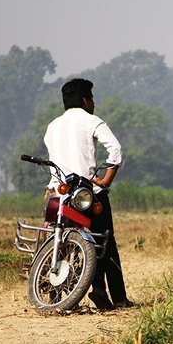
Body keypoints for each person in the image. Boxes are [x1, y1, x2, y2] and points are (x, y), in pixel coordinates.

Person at [44, 78, 132, 310]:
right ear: (85, 100)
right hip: (87, 193)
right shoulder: (91, 120)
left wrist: (53, 184)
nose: (93, 102)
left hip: (61, 193)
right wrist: (104, 181)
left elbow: (54, 162)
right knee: (104, 242)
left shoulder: (52, 127)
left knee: (58, 239)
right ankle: (115, 298)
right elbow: (116, 150)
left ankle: (55, 293)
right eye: (92, 98)